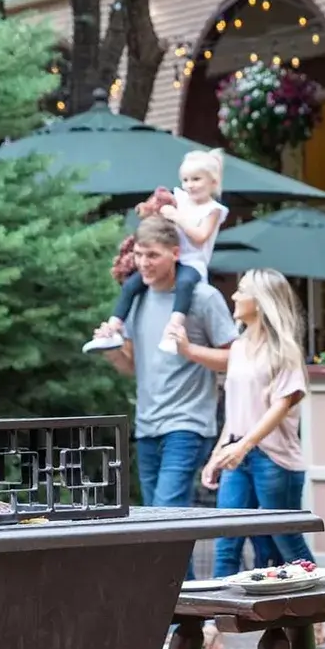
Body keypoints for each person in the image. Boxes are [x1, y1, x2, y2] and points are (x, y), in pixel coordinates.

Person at [170, 268, 325, 649]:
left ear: (260, 302)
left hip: (275, 460)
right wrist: (219, 453)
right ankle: (212, 632)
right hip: (240, 452)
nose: (234, 296)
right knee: (226, 540)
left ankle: (318, 616)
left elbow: (281, 406)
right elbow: (236, 411)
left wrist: (243, 447)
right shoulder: (239, 348)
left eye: (241, 291)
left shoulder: (284, 350)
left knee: (284, 542)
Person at [95, 214, 238, 583]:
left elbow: (235, 357)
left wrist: (189, 351)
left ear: (175, 253)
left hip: (188, 423)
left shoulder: (203, 297)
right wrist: (110, 350)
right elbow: (132, 368)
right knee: (163, 523)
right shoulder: (137, 299)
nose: (144, 262)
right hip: (147, 424)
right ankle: (184, 615)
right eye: (140, 254)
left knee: (164, 516)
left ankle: (174, 625)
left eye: (153, 255)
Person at [86, 148, 230, 355]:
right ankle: (112, 328)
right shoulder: (180, 198)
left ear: (213, 182)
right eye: (186, 180)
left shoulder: (213, 210)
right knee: (131, 285)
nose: (190, 185)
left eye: (196, 179)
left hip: (191, 261)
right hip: (169, 258)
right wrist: (149, 210)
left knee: (185, 284)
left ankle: (173, 329)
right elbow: (158, 205)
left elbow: (200, 236)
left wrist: (177, 217)